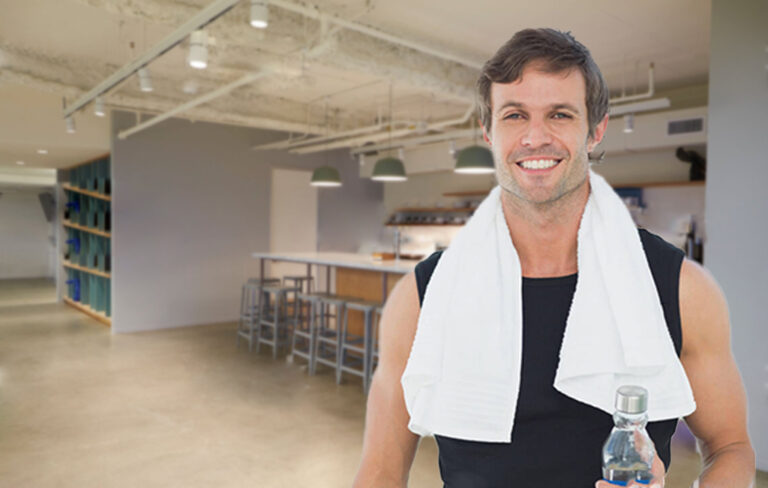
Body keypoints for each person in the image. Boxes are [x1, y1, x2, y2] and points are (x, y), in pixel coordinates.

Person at [353, 28, 755, 487]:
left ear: (595, 128)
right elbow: (381, 472)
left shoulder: (681, 289)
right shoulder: (422, 298)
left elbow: (731, 448)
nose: (535, 137)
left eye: (560, 114)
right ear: (488, 131)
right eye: (514, 115)